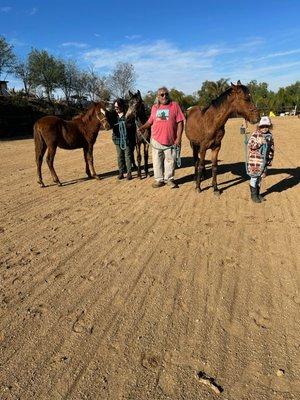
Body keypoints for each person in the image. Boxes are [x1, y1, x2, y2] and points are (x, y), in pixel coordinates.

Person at [137, 87, 185, 188]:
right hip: (156, 140)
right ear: (158, 97)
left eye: (166, 94)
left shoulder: (174, 105)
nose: (164, 96)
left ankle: (169, 179)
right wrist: (143, 127)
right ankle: (159, 180)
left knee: (170, 161)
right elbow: (150, 121)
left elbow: (180, 123)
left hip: (171, 140)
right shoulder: (154, 107)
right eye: (162, 95)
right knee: (156, 160)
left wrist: (178, 138)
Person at [246, 116, 274, 203]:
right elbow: (250, 145)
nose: (264, 128)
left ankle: (258, 193)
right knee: (254, 178)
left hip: (264, 161)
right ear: (259, 126)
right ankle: (253, 195)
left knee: (260, 178)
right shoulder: (255, 134)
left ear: (269, 126)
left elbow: (272, 148)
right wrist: (259, 142)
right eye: (262, 126)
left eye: (266, 126)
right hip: (255, 161)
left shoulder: (270, 136)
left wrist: (269, 159)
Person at [112, 98, 136, 180]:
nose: (116, 109)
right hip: (118, 139)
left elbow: (132, 126)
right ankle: (121, 172)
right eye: (115, 107)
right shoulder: (113, 116)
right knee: (119, 156)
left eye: (117, 107)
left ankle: (129, 173)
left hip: (127, 139)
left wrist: (126, 125)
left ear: (122, 106)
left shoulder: (128, 115)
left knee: (128, 156)